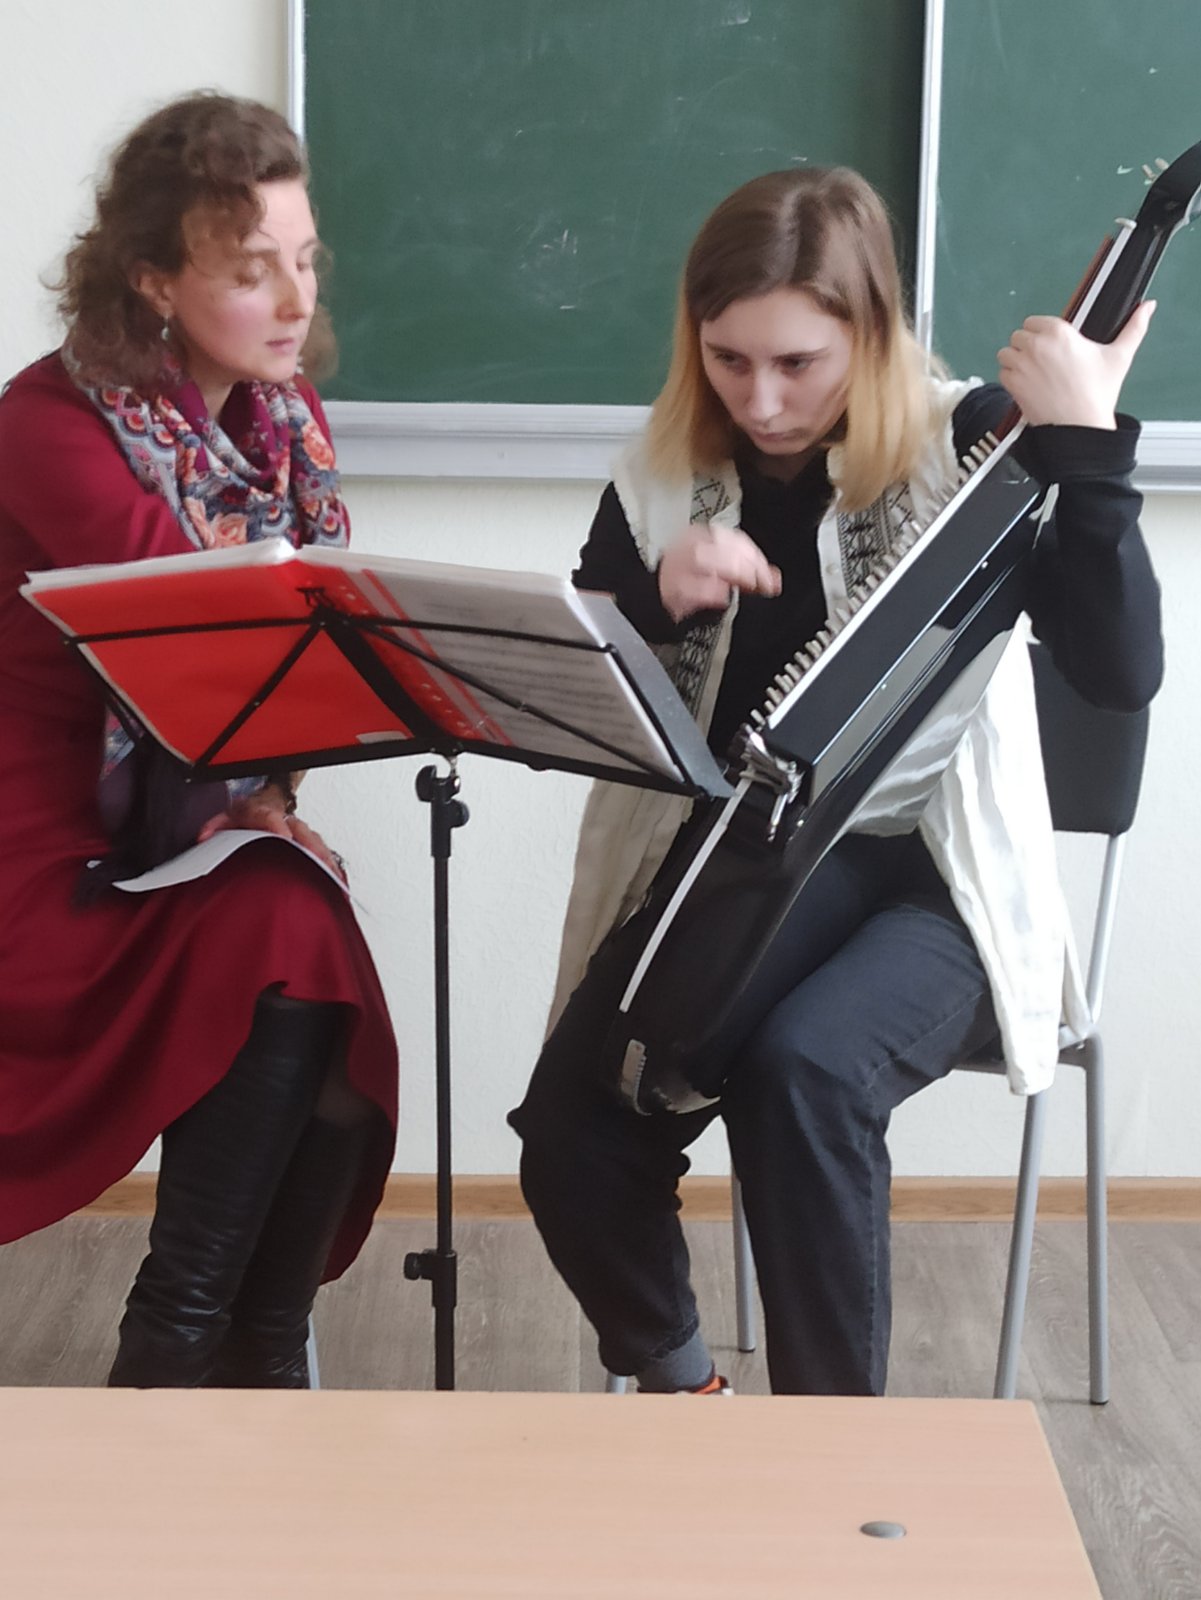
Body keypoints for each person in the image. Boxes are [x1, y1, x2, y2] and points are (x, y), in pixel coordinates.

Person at [509, 167, 1163, 1396]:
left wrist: (1086, 444)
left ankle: (836, 1455)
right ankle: (691, 1394)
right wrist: (651, 602)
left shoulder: (977, 447)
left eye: (798, 363)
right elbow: (573, 723)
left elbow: (1120, 673)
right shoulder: (655, 484)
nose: (760, 399)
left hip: (939, 885)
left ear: (870, 334)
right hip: (746, 878)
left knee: (804, 1069)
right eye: (728, 359)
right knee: (571, 1137)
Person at [0, 92, 398, 1388]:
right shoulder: (49, 424)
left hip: (176, 816)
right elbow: (210, 642)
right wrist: (254, 790)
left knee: (302, 929)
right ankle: (182, 1354)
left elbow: (281, 675)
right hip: (42, 842)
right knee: (285, 927)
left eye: (305, 259)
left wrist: (265, 802)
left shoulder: (285, 427)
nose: (293, 299)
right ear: (153, 279)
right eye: (249, 270)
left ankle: (239, 1345)